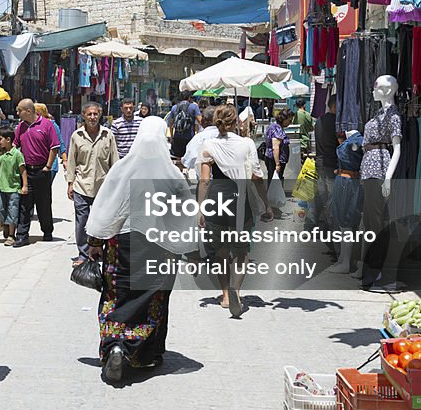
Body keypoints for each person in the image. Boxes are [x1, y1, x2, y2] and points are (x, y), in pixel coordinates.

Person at [85, 117, 193, 383]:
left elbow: (106, 207)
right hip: (159, 247)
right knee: (152, 299)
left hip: (121, 244)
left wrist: (94, 243)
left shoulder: (122, 168)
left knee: (116, 293)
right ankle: (143, 353)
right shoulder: (171, 174)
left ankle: (115, 345)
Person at [195, 105, 271, 317]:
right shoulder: (247, 144)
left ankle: (225, 295)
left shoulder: (208, 145)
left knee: (220, 250)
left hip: (217, 199)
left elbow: (204, 180)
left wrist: (200, 208)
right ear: (236, 122)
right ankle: (235, 290)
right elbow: (256, 176)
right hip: (241, 200)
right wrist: (266, 203)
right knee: (240, 250)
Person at [66, 102, 119, 266]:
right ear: (83, 115)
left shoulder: (108, 135)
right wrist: (70, 183)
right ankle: (83, 254)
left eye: (95, 114)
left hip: (103, 187)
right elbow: (72, 161)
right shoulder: (77, 136)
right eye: (89, 114)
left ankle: (99, 251)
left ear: (100, 115)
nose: (92, 117)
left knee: (103, 221)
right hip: (81, 186)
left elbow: (114, 161)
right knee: (82, 221)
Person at [13, 98, 60, 247]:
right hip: (26, 171)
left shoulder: (47, 125)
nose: (17, 113)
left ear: (28, 111)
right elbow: (15, 145)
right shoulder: (20, 127)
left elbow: (54, 147)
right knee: (25, 205)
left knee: (44, 204)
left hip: (42, 171)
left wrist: (47, 167)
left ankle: (47, 231)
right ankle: (22, 235)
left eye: (19, 110)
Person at [308, 94, 340, 240]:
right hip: (331, 164)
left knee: (321, 197)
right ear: (335, 106)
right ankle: (331, 231)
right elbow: (340, 143)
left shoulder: (319, 121)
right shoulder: (336, 122)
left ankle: (313, 226)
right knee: (332, 200)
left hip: (319, 162)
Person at [0, 127, 27, 245]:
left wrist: (24, 185)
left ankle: (11, 235)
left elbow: (22, 170)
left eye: (0, 139)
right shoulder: (0, 154)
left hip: (14, 188)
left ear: (9, 139)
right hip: (2, 187)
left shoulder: (17, 154)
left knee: (12, 211)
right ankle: (5, 224)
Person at [263, 108, 295, 218]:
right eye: (289, 120)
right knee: (274, 183)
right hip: (274, 160)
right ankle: (272, 209)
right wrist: (277, 164)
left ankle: (273, 208)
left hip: (274, 159)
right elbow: (275, 147)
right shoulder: (276, 128)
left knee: (274, 183)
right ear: (284, 119)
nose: (290, 122)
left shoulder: (276, 127)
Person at [181, 106, 219, 174]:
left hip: (206, 179)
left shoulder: (199, 138)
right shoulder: (229, 135)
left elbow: (188, 160)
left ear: (204, 121)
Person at [35, 103, 66, 184]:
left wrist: (65, 160)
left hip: (50, 166)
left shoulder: (52, 125)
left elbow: (60, 143)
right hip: (37, 165)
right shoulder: (33, 125)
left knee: (45, 192)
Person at [166, 90, 202, 160]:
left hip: (177, 137)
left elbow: (171, 124)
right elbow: (200, 121)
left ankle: (180, 170)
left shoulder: (174, 107)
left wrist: (172, 137)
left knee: (177, 158)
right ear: (189, 98)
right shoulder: (194, 107)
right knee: (188, 158)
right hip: (189, 137)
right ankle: (186, 170)